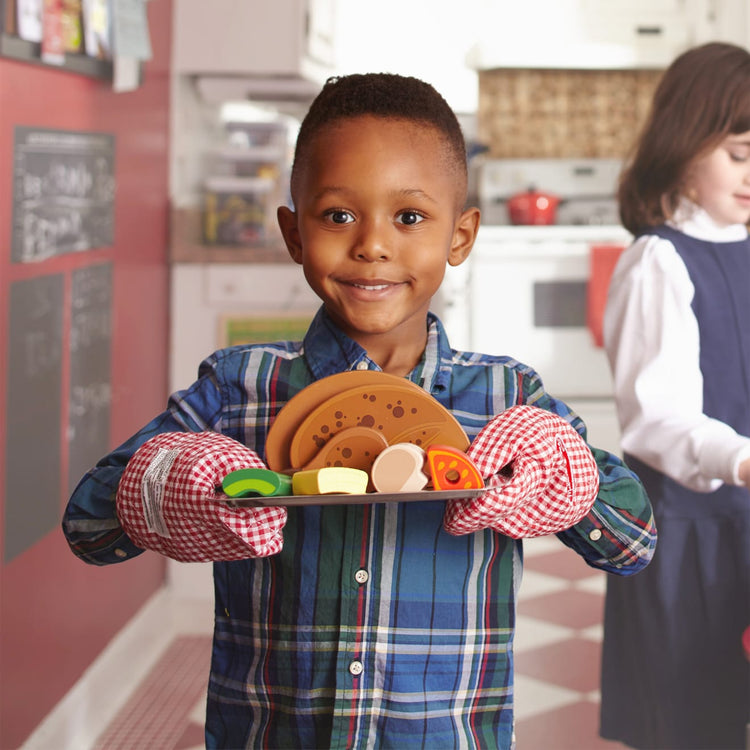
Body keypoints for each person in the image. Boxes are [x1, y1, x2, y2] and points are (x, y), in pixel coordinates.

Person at [64, 73, 656, 749]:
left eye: (409, 217)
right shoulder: (238, 389)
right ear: (293, 231)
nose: (372, 244)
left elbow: (634, 542)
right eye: (338, 215)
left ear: (460, 237)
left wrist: (570, 476)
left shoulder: (507, 400)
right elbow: (88, 527)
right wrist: (167, 484)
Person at [599, 42, 750, 750]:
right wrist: (741, 458)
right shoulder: (659, 261)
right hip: (694, 531)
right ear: (686, 147)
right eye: (740, 154)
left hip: (743, 517)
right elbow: (655, 420)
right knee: (691, 720)